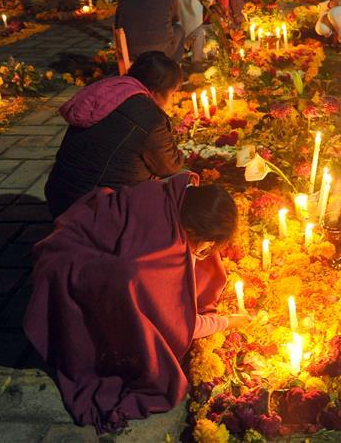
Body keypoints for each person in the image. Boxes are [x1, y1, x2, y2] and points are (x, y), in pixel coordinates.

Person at [26, 171, 244, 433]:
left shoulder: (165, 195)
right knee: (158, 371)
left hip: (62, 242)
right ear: (190, 230)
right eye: (206, 248)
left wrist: (192, 263)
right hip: (65, 279)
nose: (207, 255)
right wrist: (227, 322)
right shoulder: (150, 267)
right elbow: (180, 325)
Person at [44, 51, 184, 218]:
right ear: (155, 91)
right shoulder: (150, 118)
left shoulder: (107, 91)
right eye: (173, 93)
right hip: (94, 210)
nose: (173, 100)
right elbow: (170, 166)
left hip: (60, 196)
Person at [115, 0, 184, 63]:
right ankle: (171, 68)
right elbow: (175, 18)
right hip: (160, 49)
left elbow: (118, 22)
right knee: (179, 30)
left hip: (129, 49)